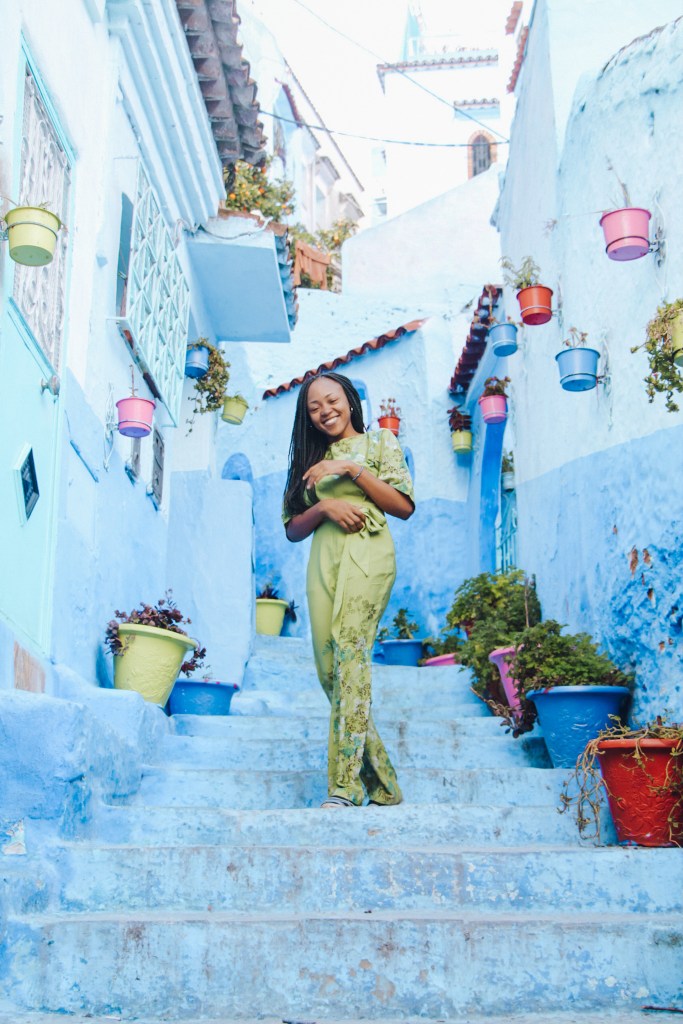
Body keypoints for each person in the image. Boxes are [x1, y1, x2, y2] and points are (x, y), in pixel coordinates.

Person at [282, 372, 415, 808]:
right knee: (329, 667)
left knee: (349, 652)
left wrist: (348, 469)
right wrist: (323, 506)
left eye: (332, 400)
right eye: (314, 407)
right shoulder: (308, 457)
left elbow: (403, 506)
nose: (325, 411)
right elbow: (292, 530)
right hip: (324, 558)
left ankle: (345, 786)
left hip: (368, 552)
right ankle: (384, 783)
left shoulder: (380, 443)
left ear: (350, 401)